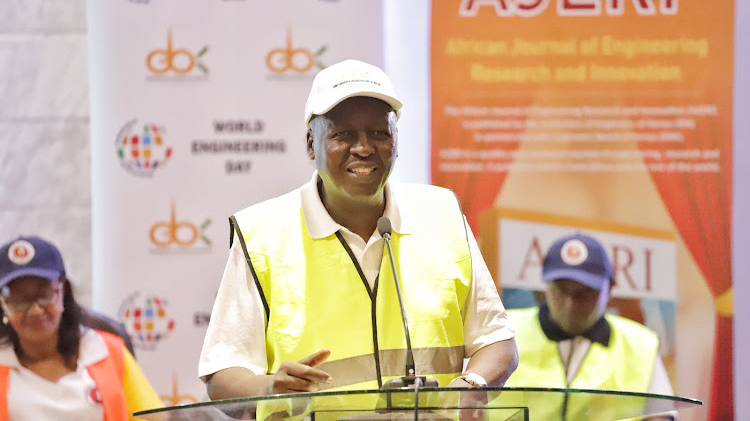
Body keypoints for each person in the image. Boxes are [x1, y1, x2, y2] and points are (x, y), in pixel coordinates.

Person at [199, 59, 518, 400]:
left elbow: (497, 342)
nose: (363, 148)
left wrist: (473, 385)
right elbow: (223, 375)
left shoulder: (442, 214)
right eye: (343, 135)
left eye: (379, 133)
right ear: (311, 144)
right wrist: (269, 387)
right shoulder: (262, 232)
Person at [504, 233, 676, 420]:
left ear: (609, 289)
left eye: (585, 292)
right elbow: (471, 401)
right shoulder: (505, 331)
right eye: (561, 289)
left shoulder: (640, 344)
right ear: (545, 286)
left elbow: (660, 416)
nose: (571, 303)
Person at [0, 235, 163, 420]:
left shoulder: (108, 351)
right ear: (3, 305)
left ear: (63, 291)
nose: (35, 311)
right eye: (19, 300)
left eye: (44, 295)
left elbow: (154, 418)